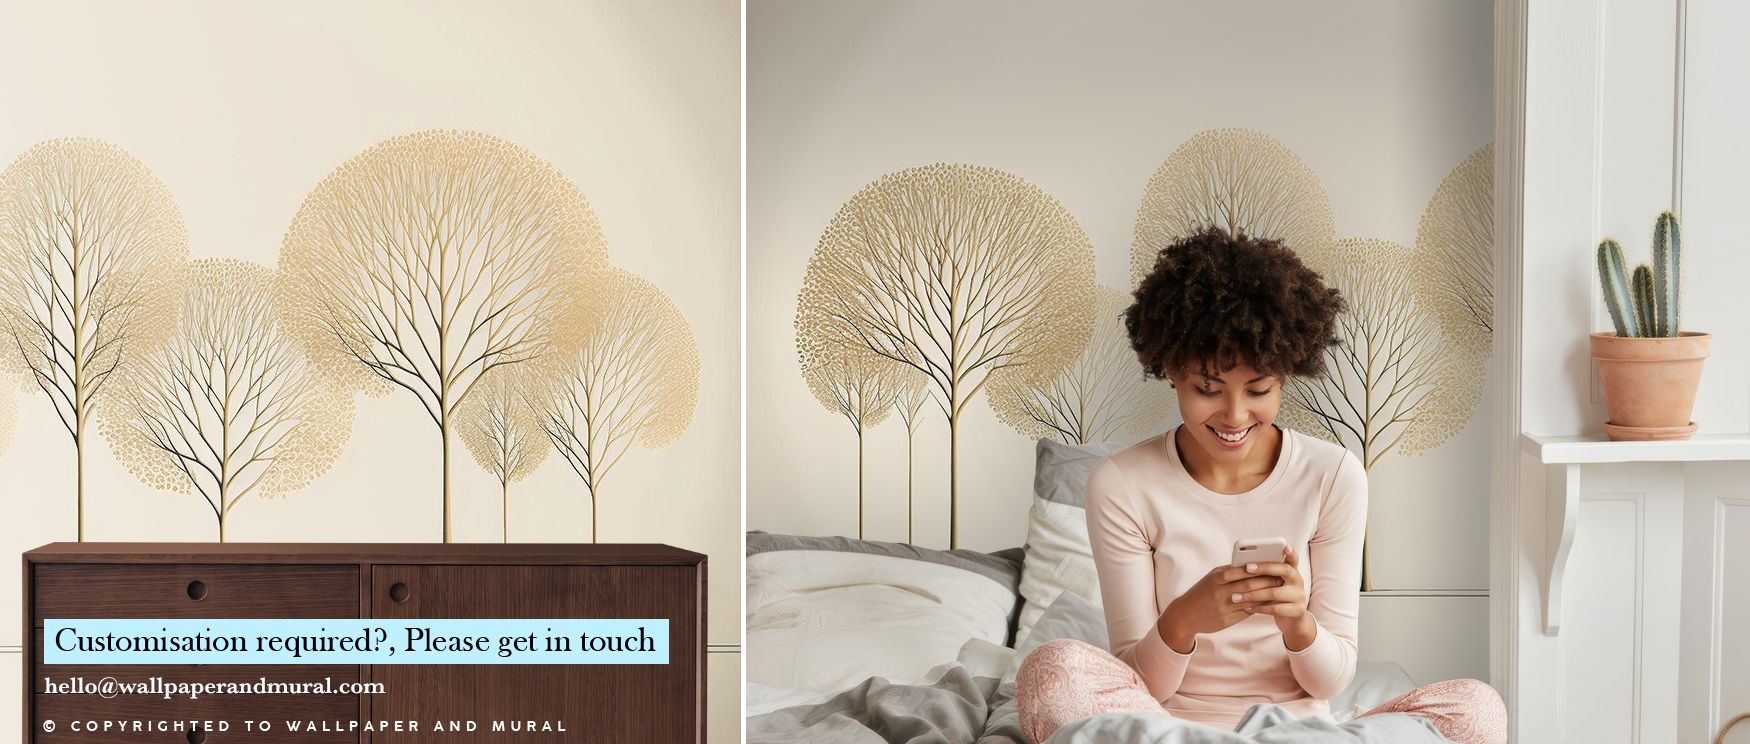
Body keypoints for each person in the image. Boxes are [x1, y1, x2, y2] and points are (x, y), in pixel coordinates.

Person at [1014, 227, 1505, 743]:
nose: (1234, 415)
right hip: (1165, 728)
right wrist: (1183, 621)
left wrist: (1298, 624)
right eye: (1208, 389)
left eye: (1259, 389)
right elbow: (1143, 686)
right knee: (1052, 671)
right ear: (1171, 371)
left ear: (1286, 376)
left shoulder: (1333, 475)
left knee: (1476, 708)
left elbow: (1332, 680)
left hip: (1303, 729)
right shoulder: (1120, 483)